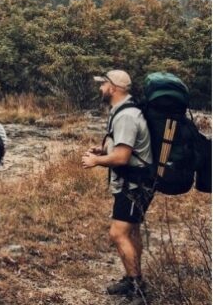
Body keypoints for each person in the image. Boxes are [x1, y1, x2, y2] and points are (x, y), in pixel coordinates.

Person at [81, 70, 154, 304]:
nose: (100, 88)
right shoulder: (123, 111)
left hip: (134, 185)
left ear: (114, 87)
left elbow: (122, 157)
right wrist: (103, 151)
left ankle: (137, 290)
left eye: (103, 84)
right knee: (131, 231)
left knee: (118, 233)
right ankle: (133, 279)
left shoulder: (126, 116)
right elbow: (125, 148)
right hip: (135, 182)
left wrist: (96, 161)